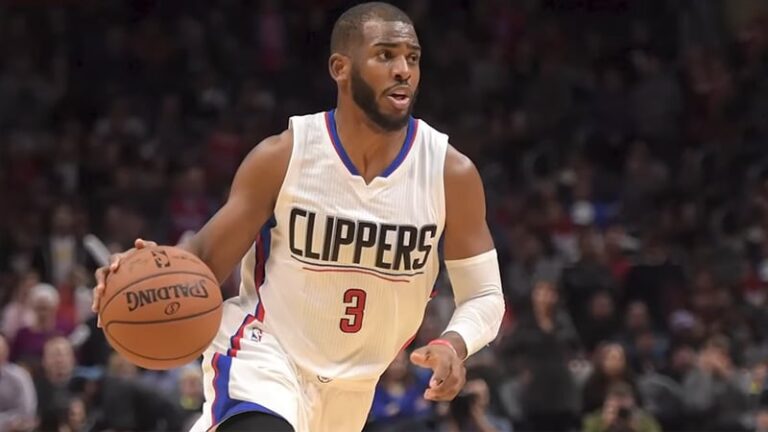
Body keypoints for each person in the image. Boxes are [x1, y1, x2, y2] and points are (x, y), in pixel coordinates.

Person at [91, 3, 505, 432]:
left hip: (355, 391)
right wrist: (139, 271)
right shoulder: (285, 156)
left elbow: (485, 295)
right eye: (385, 55)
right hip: (264, 357)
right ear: (341, 68)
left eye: (412, 58)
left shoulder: (450, 174)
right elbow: (203, 259)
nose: (403, 70)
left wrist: (454, 343)